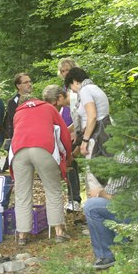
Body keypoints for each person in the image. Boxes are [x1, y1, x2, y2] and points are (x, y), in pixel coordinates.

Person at [10, 95, 72, 245]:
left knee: (22, 193)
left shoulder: (18, 113)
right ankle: (58, 231)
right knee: (52, 189)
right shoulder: (49, 108)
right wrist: (67, 155)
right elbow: (63, 133)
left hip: (19, 151)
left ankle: (22, 235)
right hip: (44, 148)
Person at [64, 67, 111, 192]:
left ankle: (95, 208)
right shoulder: (95, 88)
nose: (72, 91)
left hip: (95, 139)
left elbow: (92, 116)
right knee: (105, 176)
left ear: (75, 81)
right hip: (105, 135)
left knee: (94, 178)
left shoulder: (84, 91)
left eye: (70, 86)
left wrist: (84, 141)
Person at [83, 175, 129, 269]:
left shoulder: (125, 160)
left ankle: (106, 255)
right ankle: (124, 245)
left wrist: (98, 193)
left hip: (136, 213)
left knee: (91, 206)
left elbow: (112, 195)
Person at [57, 58, 83, 213]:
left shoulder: (78, 88)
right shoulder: (64, 88)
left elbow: (80, 114)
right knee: (69, 163)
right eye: (62, 71)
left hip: (76, 131)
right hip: (67, 132)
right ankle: (73, 199)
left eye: (67, 69)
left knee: (71, 161)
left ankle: (75, 199)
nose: (65, 73)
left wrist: (72, 130)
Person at [1, 73, 33, 171]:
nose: (30, 84)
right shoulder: (13, 102)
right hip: (18, 140)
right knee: (10, 165)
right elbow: (14, 122)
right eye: (26, 82)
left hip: (32, 139)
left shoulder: (34, 100)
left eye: (30, 81)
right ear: (18, 86)